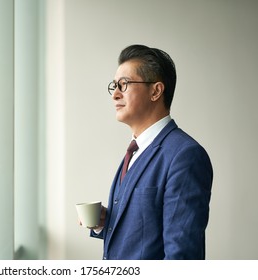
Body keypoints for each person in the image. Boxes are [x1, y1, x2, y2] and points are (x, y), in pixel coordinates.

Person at [86, 44, 213, 260]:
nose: (115, 94)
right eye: (114, 86)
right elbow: (146, 229)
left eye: (124, 84)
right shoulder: (135, 150)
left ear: (155, 91)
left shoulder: (185, 155)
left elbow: (182, 257)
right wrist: (106, 222)